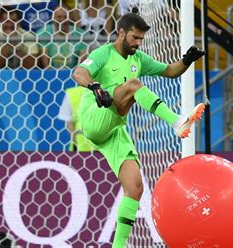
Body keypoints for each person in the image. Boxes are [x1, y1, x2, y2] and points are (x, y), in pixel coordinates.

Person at [72, 13, 205, 247]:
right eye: (135, 37)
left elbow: (169, 71)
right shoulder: (103, 53)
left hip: (115, 128)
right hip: (94, 117)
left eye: (141, 39)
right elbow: (79, 72)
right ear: (121, 32)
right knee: (134, 85)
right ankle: (177, 122)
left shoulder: (138, 58)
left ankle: (119, 246)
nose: (138, 43)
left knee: (134, 187)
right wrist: (95, 87)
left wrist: (186, 61)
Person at [57, 86, 95, 151]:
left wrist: (76, 141)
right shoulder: (108, 90)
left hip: (80, 145)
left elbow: (69, 123)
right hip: (105, 146)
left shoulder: (72, 93)